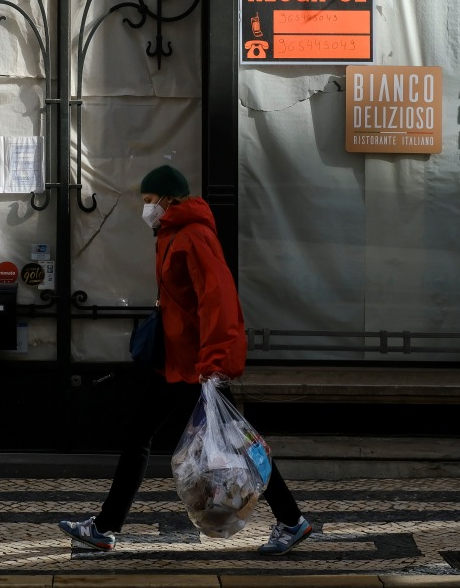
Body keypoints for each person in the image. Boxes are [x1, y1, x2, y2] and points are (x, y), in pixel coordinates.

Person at [58, 164, 312, 555]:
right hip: (180, 360)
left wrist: (213, 361)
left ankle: (291, 520)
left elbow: (219, 299)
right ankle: (106, 527)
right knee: (220, 439)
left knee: (228, 440)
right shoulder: (171, 233)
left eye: (148, 201)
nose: (145, 209)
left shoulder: (193, 235)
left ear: (167, 199)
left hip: (198, 364)